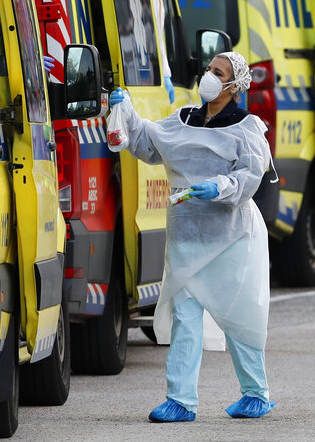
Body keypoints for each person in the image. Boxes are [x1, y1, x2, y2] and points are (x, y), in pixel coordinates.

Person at [107, 51, 275, 422]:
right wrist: (125, 111)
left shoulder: (245, 127)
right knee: (185, 315)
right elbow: (147, 143)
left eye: (219, 72)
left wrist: (219, 187)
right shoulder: (185, 119)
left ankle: (256, 393)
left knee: (238, 316)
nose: (209, 76)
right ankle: (180, 400)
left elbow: (251, 175)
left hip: (231, 238)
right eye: (209, 69)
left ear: (234, 85)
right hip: (186, 238)